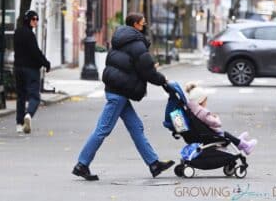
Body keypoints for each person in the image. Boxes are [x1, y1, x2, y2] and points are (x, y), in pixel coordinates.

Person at [72, 12, 174, 181]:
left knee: (136, 127)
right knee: (103, 129)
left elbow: (128, 64)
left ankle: (154, 164)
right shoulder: (136, 44)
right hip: (118, 93)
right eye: (142, 24)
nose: (145, 26)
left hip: (118, 89)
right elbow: (147, 70)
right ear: (135, 25)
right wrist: (163, 80)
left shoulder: (121, 40)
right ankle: (82, 164)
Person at [185, 82, 258, 155]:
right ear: (201, 101)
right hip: (211, 135)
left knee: (226, 135)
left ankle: (238, 141)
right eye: (205, 100)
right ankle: (245, 145)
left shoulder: (192, 110)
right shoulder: (202, 112)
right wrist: (216, 118)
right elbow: (217, 124)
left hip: (204, 133)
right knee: (225, 134)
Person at [14, 10, 51, 134]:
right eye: (33, 19)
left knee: (21, 96)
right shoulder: (30, 35)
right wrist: (46, 63)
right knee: (34, 96)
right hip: (30, 69)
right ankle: (28, 115)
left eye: (37, 19)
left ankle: (19, 124)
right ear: (28, 20)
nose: (35, 22)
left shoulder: (17, 32)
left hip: (18, 68)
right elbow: (35, 52)